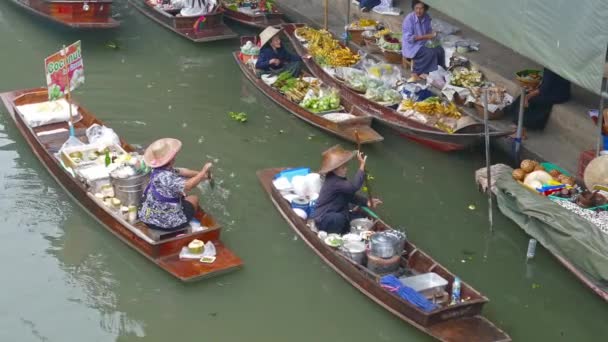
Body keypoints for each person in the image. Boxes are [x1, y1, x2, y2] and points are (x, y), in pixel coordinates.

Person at [138, 138, 213, 231]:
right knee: (194, 198)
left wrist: (204, 176)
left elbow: (183, 171)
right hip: (169, 223)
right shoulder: (168, 177)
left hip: (147, 218)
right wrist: (203, 172)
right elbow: (188, 185)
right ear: (171, 159)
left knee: (177, 196)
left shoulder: (157, 169)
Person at [311, 145, 382, 234]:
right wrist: (361, 167)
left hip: (338, 210)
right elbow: (353, 187)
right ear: (334, 170)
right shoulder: (334, 181)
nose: (346, 169)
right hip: (323, 218)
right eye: (343, 167)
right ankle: (334, 236)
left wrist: (366, 202)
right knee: (339, 218)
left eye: (346, 166)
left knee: (360, 217)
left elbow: (349, 196)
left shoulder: (340, 179)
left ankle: (346, 230)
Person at [506, 68, 571, 131]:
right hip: (555, 90)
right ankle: (511, 113)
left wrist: (529, 96)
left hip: (558, 94)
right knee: (524, 95)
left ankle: (525, 125)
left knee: (532, 100)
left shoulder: (552, 68)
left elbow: (545, 87)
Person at [401, 0, 445, 81]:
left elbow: (429, 30)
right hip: (411, 46)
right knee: (430, 53)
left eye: (421, 8)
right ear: (413, 8)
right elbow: (409, 39)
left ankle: (436, 72)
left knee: (439, 50)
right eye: (416, 8)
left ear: (425, 9)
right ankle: (416, 72)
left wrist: (434, 32)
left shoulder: (427, 17)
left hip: (423, 42)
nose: (418, 11)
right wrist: (427, 36)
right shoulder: (409, 19)